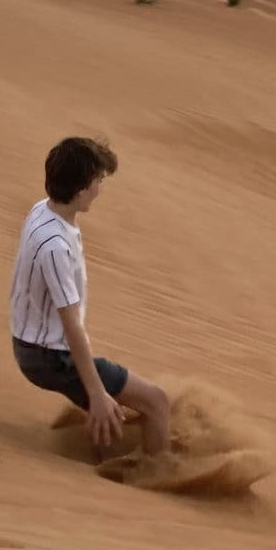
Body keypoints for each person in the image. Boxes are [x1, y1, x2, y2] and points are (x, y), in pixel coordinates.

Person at [10, 136, 171, 457]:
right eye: (98, 181)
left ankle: (109, 448)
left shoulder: (43, 210)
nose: (100, 188)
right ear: (81, 190)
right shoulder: (54, 245)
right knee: (156, 401)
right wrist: (96, 392)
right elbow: (72, 328)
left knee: (124, 409)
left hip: (35, 347)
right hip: (50, 357)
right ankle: (160, 475)